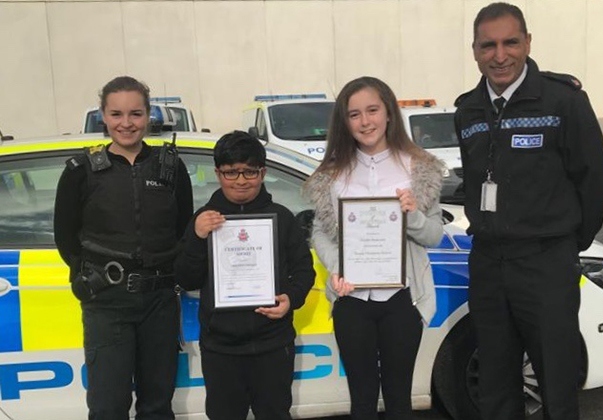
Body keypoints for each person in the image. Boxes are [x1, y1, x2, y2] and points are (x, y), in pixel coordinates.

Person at [454, 3, 603, 420]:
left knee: (556, 384)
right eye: (488, 45)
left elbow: (598, 181)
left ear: (527, 42)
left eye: (510, 42)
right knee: (495, 385)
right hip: (489, 264)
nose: (500, 54)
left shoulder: (563, 100)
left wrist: (565, 242)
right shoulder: (467, 109)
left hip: (546, 264)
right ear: (474, 50)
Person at [303, 76, 444, 419]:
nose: (365, 122)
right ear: (344, 121)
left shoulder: (419, 168)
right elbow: (319, 233)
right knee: (362, 401)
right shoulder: (332, 174)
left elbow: (435, 235)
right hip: (352, 300)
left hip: (403, 298)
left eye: (372, 110)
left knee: (399, 400)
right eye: (354, 114)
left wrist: (412, 216)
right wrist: (338, 266)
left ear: (389, 113)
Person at [54, 76, 193, 419]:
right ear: (103, 115)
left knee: (157, 406)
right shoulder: (80, 171)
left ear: (149, 116)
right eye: (116, 114)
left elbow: (183, 229)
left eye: (136, 113)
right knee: (108, 407)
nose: (126, 123)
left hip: (160, 303)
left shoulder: (171, 167)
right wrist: (92, 278)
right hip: (107, 302)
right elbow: (66, 237)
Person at [173, 130, 315, 420]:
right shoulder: (204, 220)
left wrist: (291, 298)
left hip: (273, 344)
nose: (240, 180)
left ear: (262, 173)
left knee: (275, 414)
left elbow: (304, 270)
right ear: (217, 173)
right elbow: (186, 278)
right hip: (221, 347)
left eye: (249, 172)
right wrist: (198, 238)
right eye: (231, 172)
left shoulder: (282, 218)